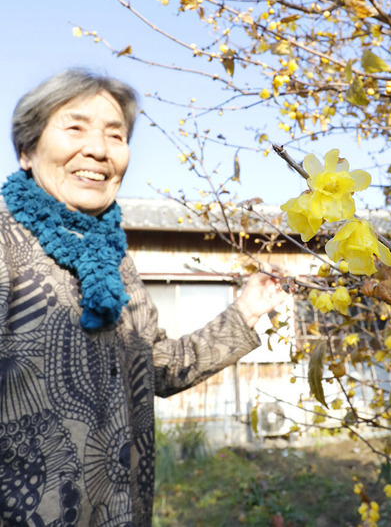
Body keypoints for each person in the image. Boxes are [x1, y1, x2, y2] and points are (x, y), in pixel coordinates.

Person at [0, 69, 286, 526]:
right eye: (75, 127)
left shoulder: (116, 260)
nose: (98, 149)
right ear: (27, 150)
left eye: (116, 135)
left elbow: (158, 366)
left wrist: (246, 310)